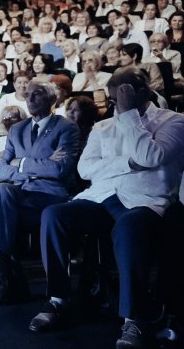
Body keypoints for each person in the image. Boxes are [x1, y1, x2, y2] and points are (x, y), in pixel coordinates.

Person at [28, 68, 184, 349]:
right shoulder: (102, 127)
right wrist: (128, 163)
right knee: (54, 215)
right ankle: (58, 300)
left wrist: (129, 115)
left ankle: (134, 319)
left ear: (143, 92)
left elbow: (152, 156)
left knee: (129, 225)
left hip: (145, 200)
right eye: (114, 98)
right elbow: (86, 169)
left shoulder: (174, 121)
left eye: (121, 96)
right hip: (101, 197)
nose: (115, 103)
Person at [0, 80, 80, 306]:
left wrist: (22, 163)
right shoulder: (17, 129)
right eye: (27, 94)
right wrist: (40, 166)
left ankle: (10, 280)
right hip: (21, 195)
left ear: (52, 99)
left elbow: (59, 169)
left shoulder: (66, 128)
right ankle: (9, 276)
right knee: (2, 189)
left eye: (37, 94)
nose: (30, 98)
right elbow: (3, 170)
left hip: (50, 197)